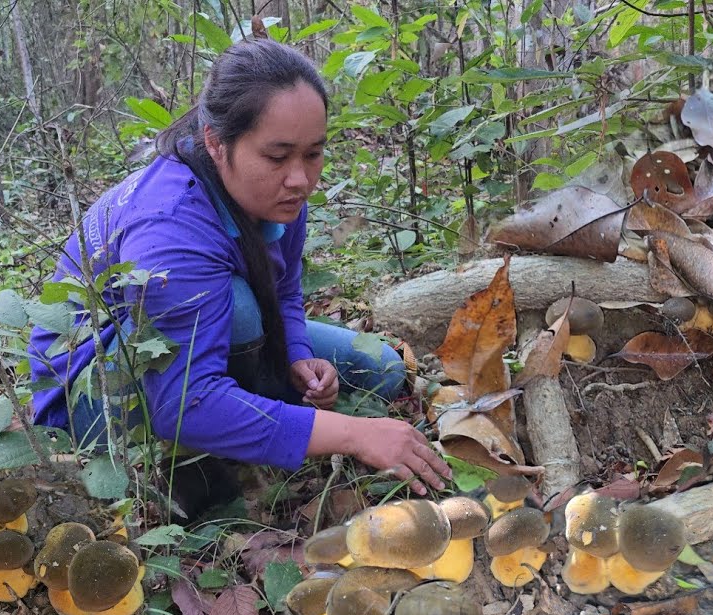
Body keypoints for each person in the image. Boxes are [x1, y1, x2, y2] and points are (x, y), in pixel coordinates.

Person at [28, 40, 449, 518]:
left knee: (382, 368)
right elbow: (184, 403)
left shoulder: (279, 193)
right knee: (241, 310)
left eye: (313, 153)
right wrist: (354, 435)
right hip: (94, 394)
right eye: (277, 156)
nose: (300, 179)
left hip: (195, 344)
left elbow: (284, 288)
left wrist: (298, 355)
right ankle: (214, 473)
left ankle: (256, 416)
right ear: (215, 142)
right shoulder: (170, 227)